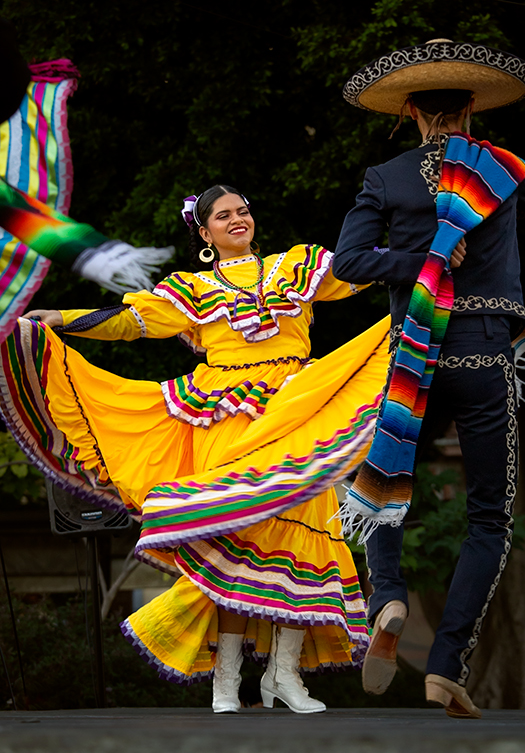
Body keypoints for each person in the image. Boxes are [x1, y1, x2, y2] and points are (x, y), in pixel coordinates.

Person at [1, 184, 393, 713]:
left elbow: (359, 274)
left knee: (303, 537)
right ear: (204, 233)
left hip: (298, 412)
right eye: (224, 215)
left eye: (244, 210)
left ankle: (283, 676)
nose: (238, 219)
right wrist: (63, 319)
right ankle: (226, 682)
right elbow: (131, 321)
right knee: (235, 538)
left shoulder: (298, 266)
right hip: (223, 415)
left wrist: (426, 254)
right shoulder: (191, 289)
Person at [333, 39, 525, 718]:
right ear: (471, 107)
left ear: (407, 110)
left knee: (382, 479)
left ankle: (389, 597)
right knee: (489, 516)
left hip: (416, 357)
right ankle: (445, 667)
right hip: (485, 355)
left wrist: (416, 254)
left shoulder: (386, 177)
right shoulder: (505, 170)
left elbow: (349, 260)